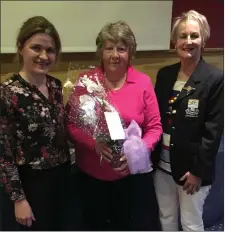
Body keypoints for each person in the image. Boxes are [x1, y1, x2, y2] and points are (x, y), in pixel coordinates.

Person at [65, 21, 162, 230]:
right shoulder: (86, 81)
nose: (115, 55)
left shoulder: (143, 82)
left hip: (129, 178)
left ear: (130, 53)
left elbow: (155, 127)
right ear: (101, 51)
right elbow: (72, 125)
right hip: (90, 177)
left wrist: (138, 151)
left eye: (121, 48)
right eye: (109, 48)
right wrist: (94, 144)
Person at [153, 10, 224, 231]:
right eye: (183, 36)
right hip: (162, 166)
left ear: (204, 40)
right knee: (166, 218)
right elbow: (156, 118)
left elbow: (213, 133)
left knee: (191, 222)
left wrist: (197, 172)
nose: (188, 41)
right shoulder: (165, 74)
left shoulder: (215, 79)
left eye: (195, 36)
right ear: (175, 41)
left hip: (191, 171)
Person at [0, 16, 71, 230]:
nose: (44, 56)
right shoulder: (7, 93)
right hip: (30, 184)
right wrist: (19, 200)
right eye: (36, 48)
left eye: (50, 50)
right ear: (21, 48)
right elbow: (3, 154)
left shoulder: (56, 86)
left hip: (61, 178)